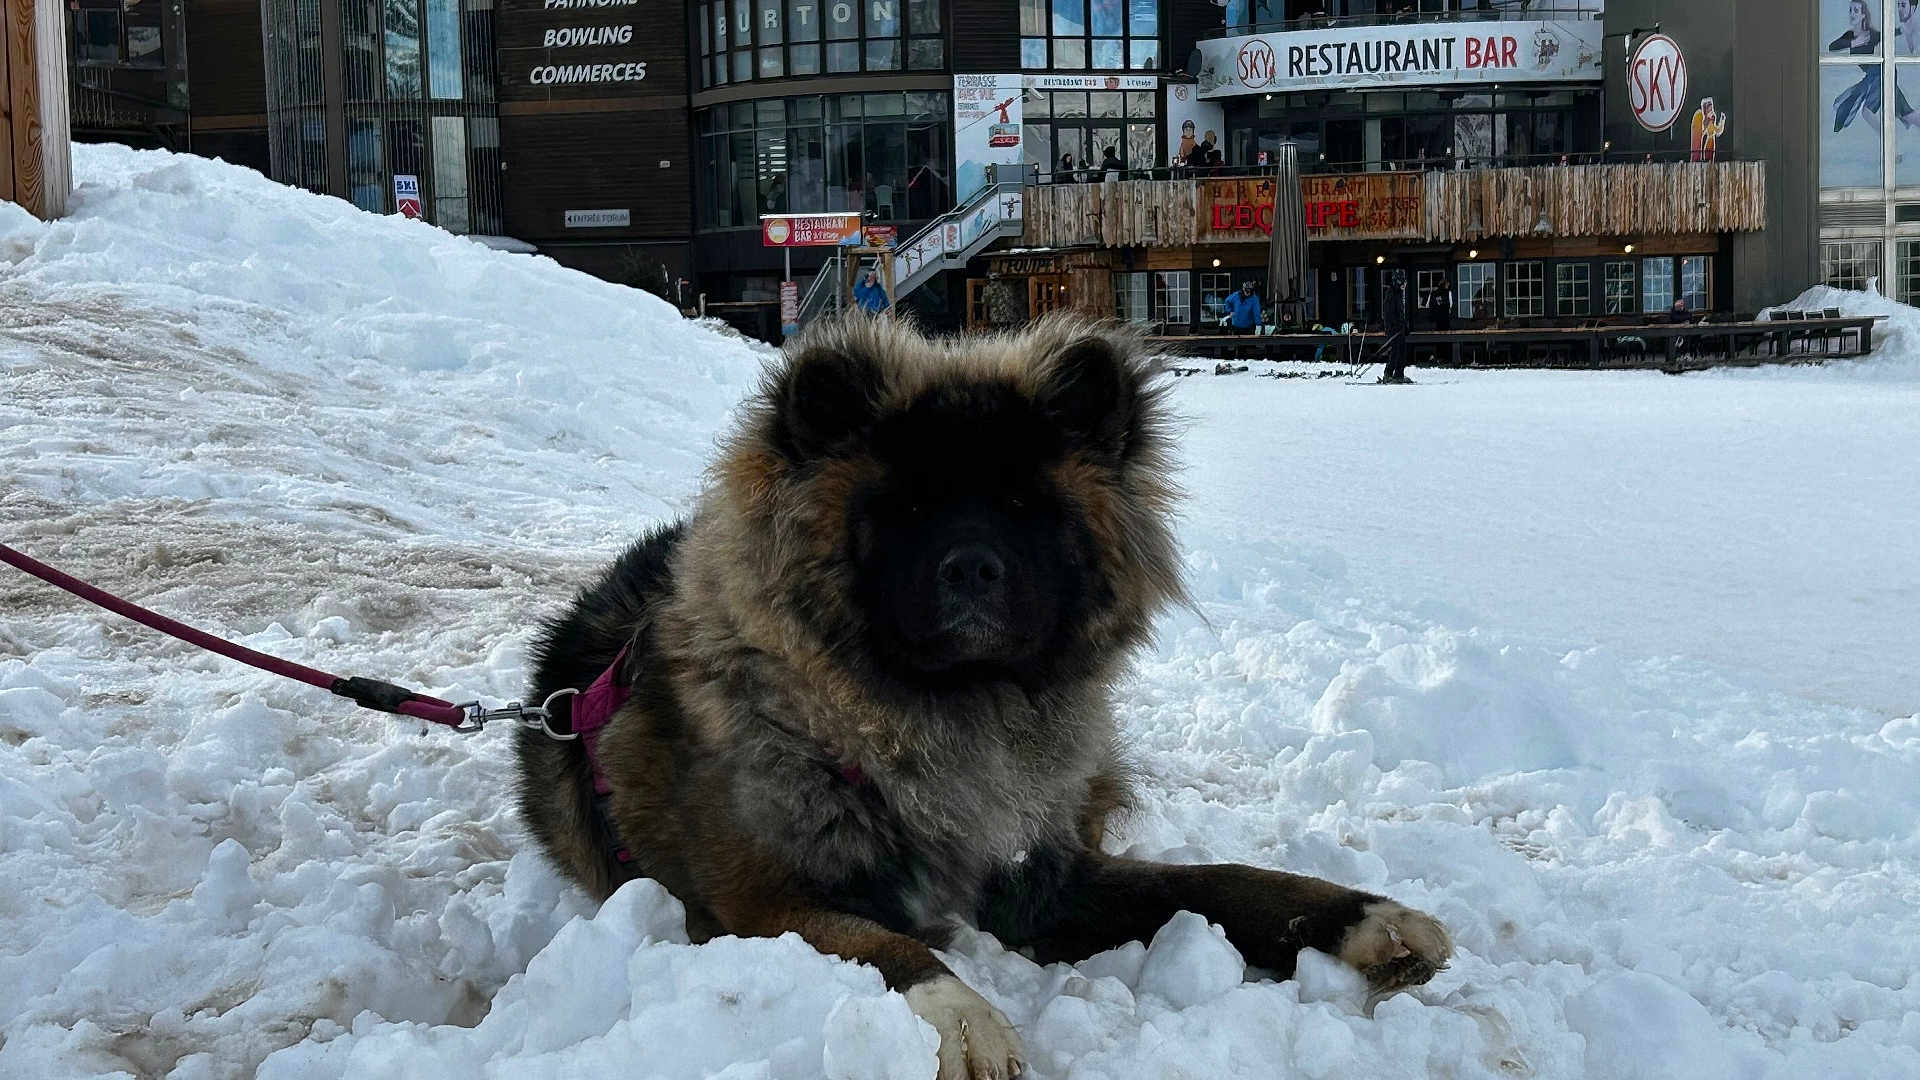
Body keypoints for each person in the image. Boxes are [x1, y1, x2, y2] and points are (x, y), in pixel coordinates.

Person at [1380, 268, 1412, 384]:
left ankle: (1399, 374)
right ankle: (1388, 374)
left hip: (1400, 328)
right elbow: (1389, 314)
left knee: (1402, 351)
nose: (1404, 285)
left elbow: (1401, 312)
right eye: (1402, 282)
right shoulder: (1391, 294)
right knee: (1395, 352)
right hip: (1393, 329)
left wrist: (1404, 325)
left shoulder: (1399, 294)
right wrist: (1394, 326)